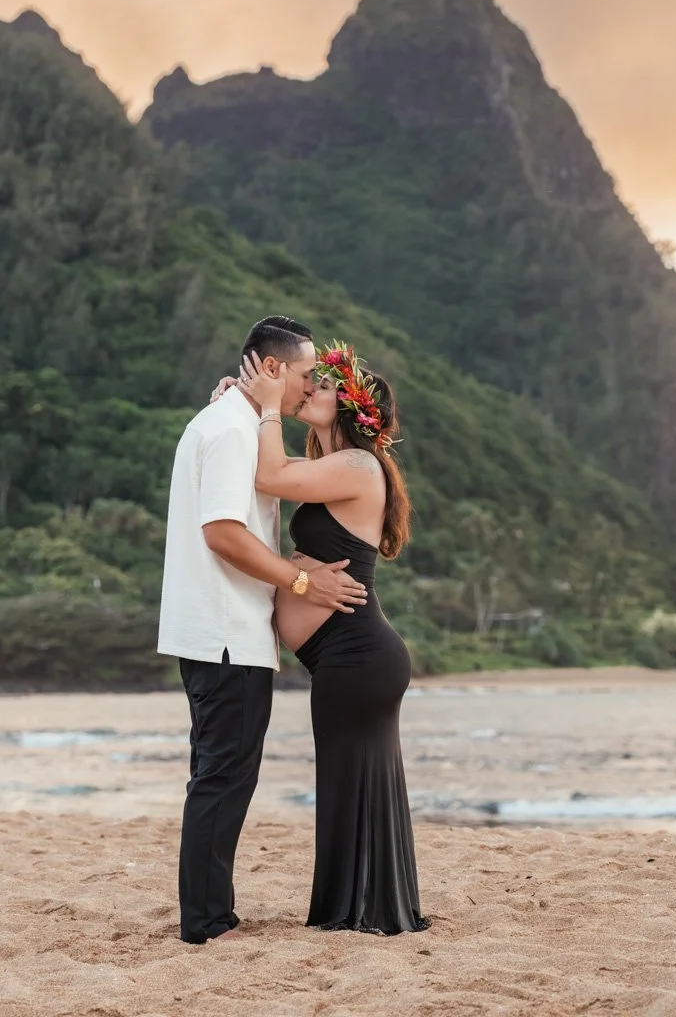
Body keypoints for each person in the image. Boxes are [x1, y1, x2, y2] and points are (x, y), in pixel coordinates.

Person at [158, 316, 369, 945]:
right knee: (223, 778)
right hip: (226, 631)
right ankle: (206, 921)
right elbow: (223, 534)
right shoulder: (230, 430)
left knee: (219, 775)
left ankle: (210, 911)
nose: (313, 387)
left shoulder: (236, 422)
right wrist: (303, 583)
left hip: (222, 630)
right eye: (307, 375)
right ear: (272, 370)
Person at [224, 340, 430, 935]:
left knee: (349, 780)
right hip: (348, 657)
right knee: (353, 779)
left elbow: (270, 472)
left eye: (325, 384)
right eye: (310, 381)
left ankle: (357, 910)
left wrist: (263, 407)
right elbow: (279, 473)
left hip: (358, 655)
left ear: (350, 407)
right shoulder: (336, 466)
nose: (311, 387)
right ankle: (369, 905)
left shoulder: (360, 467)